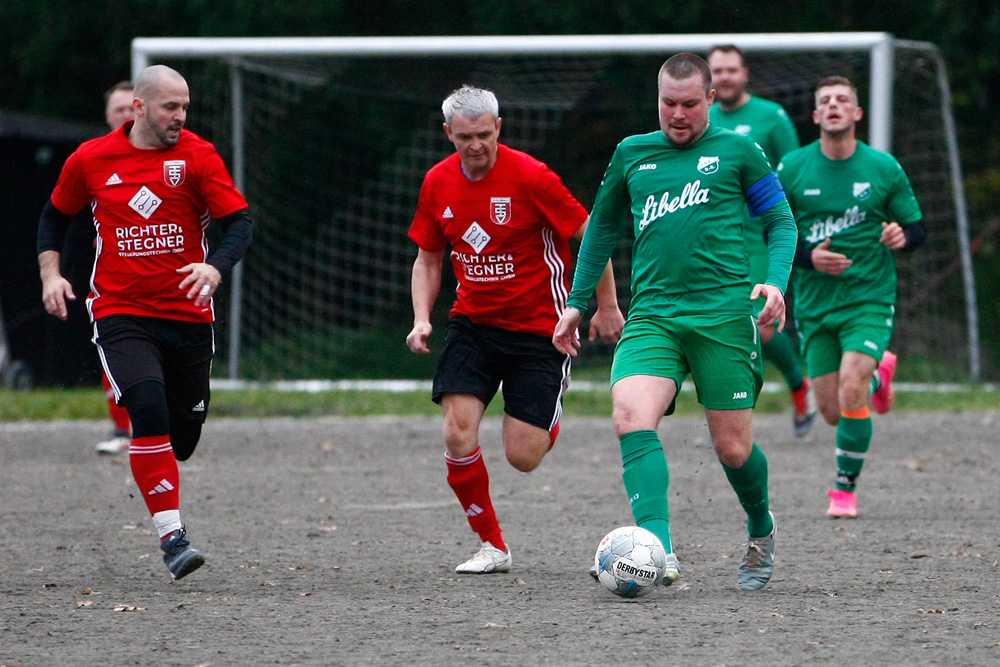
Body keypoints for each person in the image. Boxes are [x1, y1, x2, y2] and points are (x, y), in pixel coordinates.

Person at [553, 53, 797, 591]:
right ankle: (658, 551)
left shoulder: (738, 151)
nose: (678, 114)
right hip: (654, 315)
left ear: (710, 99)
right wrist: (577, 302)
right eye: (668, 103)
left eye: (689, 104)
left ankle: (761, 526)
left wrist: (776, 282)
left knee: (732, 449)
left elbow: (780, 222)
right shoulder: (632, 153)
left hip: (723, 318)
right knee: (630, 417)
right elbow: (600, 229)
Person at [37, 64, 253, 580]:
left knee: (184, 438)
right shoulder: (91, 158)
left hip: (189, 315)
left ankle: (169, 458)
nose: (180, 116)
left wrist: (215, 267)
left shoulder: (199, 156)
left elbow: (239, 223)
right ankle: (173, 539)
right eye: (170, 107)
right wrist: (50, 274)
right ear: (139, 107)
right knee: (147, 407)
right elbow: (54, 216)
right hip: (120, 310)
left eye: (185, 107)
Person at [406, 85, 624, 574]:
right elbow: (428, 258)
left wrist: (605, 305)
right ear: (448, 133)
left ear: (499, 128)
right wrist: (422, 318)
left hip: (540, 330)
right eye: (465, 137)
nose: (476, 145)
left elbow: (591, 235)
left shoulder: (531, 176)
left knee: (523, 457)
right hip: (472, 325)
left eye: (484, 134)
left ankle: (547, 412)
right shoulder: (437, 182)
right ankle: (492, 545)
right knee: (456, 432)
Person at [776, 76, 925, 519]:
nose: (834, 105)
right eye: (825, 100)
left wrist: (902, 236)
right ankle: (881, 374)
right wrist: (809, 258)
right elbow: (773, 233)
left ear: (857, 113)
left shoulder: (883, 167)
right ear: (815, 115)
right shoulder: (793, 168)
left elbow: (917, 229)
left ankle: (844, 490)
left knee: (850, 386)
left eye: (843, 99)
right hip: (815, 304)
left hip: (868, 297)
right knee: (832, 411)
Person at [707, 45, 816, 438]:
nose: (724, 77)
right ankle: (726, 414)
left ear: (745, 74)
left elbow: (797, 173)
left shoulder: (771, 117)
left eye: (731, 69)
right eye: (717, 70)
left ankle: (799, 384)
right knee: (716, 326)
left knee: (760, 323)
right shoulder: (700, 118)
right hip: (710, 240)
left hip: (758, 238)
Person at [94, 80, 136, 455]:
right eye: (118, 109)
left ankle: (166, 423)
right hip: (114, 279)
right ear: (108, 117)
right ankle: (122, 428)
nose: (125, 115)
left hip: (163, 275)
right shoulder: (92, 160)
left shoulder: (173, 155)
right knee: (114, 349)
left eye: (130, 108)